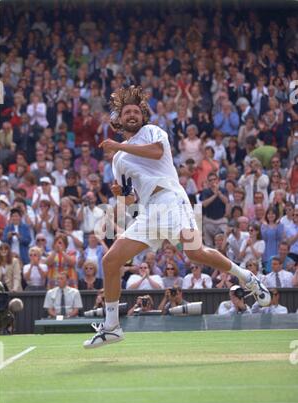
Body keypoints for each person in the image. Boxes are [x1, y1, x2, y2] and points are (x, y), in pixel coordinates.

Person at [83, 86, 270, 349]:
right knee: (111, 260)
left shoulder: (152, 132)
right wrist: (120, 194)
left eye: (137, 111)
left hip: (172, 200)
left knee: (195, 253)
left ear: (142, 115)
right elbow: (129, 201)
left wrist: (118, 146)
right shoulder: (118, 161)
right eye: (128, 112)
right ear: (120, 119)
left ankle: (248, 279)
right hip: (149, 212)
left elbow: (157, 153)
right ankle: (112, 327)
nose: (133, 114)